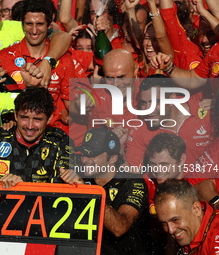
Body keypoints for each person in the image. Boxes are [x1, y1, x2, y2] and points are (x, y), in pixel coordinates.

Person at [0, 0, 75, 133]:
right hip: (19, 136)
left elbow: (73, 107)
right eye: (29, 24)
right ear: (22, 24)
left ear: (49, 24)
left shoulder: (64, 59)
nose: (34, 30)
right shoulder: (3, 58)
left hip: (54, 135)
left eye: (40, 24)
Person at [69, 126, 150, 255]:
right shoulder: (80, 177)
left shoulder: (132, 182)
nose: (85, 160)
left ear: (113, 158)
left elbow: (119, 227)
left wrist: (86, 190)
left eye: (93, 155)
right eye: (84, 154)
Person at [124, 74, 212, 167]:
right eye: (143, 103)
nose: (148, 109)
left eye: (155, 102)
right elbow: (132, 172)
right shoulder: (140, 129)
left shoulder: (206, 113)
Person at [155, 179, 219, 255]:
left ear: (196, 209)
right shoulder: (184, 225)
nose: (170, 230)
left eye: (175, 220)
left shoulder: (215, 237)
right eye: (164, 223)